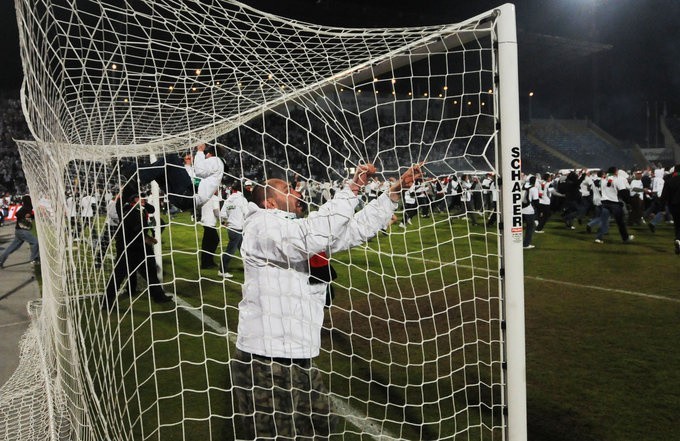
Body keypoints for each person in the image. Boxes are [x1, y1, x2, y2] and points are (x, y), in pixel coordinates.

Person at [230, 162, 422, 440]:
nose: (297, 192)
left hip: (300, 353)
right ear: (270, 203)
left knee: (321, 428)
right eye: (287, 189)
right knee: (275, 434)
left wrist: (392, 193)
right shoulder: (261, 226)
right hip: (265, 356)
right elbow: (312, 236)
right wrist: (353, 188)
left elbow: (353, 230)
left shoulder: (296, 228)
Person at [102, 187, 172, 310]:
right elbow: (136, 229)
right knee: (119, 274)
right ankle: (106, 301)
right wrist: (148, 239)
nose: (143, 198)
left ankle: (158, 296)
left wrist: (143, 203)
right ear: (133, 199)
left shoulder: (140, 208)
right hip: (128, 246)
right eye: (140, 196)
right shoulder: (128, 210)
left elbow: (152, 209)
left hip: (140, 246)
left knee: (150, 271)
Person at [594, 166, 634, 244]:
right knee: (620, 222)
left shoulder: (603, 178)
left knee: (604, 221)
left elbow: (598, 184)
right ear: (615, 171)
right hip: (614, 203)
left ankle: (598, 238)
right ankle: (625, 238)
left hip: (604, 202)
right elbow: (623, 192)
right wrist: (628, 202)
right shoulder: (617, 179)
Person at [219, 181, 248, 278]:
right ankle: (222, 270)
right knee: (231, 250)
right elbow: (247, 213)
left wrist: (224, 222)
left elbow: (222, 214)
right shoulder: (242, 200)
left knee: (242, 249)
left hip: (231, 228)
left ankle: (248, 267)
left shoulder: (228, 200)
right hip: (239, 228)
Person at [0, 195, 40, 268]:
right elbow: (17, 214)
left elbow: (30, 216)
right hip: (22, 231)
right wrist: (25, 215)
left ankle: (1, 260)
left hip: (19, 231)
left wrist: (31, 215)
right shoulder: (25, 208)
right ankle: (34, 259)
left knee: (12, 248)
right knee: (35, 242)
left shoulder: (28, 208)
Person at [660, 164, 680, 254]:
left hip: (673, 206)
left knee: (677, 224)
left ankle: (677, 240)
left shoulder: (669, 180)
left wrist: (662, 208)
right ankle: (678, 239)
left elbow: (664, 195)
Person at [199, 191, 220, 270]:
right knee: (214, 241)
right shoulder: (214, 198)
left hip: (205, 222)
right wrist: (222, 220)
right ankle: (206, 263)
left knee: (207, 243)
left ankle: (208, 262)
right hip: (210, 223)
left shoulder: (205, 198)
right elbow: (216, 212)